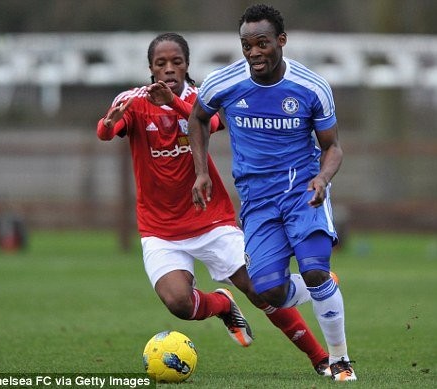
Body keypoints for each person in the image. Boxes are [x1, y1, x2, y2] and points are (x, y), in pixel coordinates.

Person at [97, 32, 332, 376]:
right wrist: (107, 123)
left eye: (176, 62)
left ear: (186, 65)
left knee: (261, 290)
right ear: (150, 67)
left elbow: (214, 122)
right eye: (161, 63)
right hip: (160, 228)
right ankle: (221, 304)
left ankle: (320, 358)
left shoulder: (198, 97)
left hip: (210, 219)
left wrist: (174, 103)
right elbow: (106, 131)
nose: (169, 69)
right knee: (178, 302)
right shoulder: (133, 100)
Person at [188, 5, 357, 382]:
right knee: (270, 293)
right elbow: (197, 117)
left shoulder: (311, 87)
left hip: (303, 190)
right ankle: (323, 288)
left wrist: (323, 179)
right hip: (257, 200)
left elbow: (333, 147)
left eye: (262, 43)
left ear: (281, 41)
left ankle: (340, 359)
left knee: (313, 268)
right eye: (246, 45)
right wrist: (201, 172)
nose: (253, 53)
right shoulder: (225, 83)